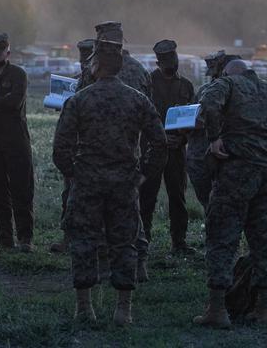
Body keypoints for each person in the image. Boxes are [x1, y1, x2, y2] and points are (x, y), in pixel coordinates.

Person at [194, 59, 267, 328]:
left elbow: (209, 104)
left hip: (235, 172)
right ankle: (263, 309)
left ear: (228, 73)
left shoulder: (226, 83)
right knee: (262, 241)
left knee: (222, 238)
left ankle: (218, 309)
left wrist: (214, 139)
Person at [53, 47, 168, 326]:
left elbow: (60, 148)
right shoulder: (137, 100)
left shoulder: (79, 100)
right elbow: (160, 143)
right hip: (124, 184)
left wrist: (74, 174)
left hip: (87, 183)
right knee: (124, 243)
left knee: (83, 243)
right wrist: (143, 175)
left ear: (96, 68)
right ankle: (123, 310)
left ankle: (84, 308)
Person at [0, 33, 35, 252]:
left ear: (7, 52)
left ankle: (25, 238)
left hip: (16, 139)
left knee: (22, 188)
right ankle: (4, 236)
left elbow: (15, 102)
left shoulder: (18, 74)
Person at [141, 39, 196, 255]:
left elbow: (191, 118)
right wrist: (160, 137)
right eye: (166, 59)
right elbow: (142, 117)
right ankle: (142, 239)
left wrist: (182, 140)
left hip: (176, 151)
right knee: (146, 196)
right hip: (151, 150)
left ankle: (179, 243)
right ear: (158, 62)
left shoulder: (186, 86)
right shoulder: (147, 83)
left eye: (173, 57)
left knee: (177, 197)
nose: (171, 62)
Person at [50, 38, 95, 255]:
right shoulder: (76, 82)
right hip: (75, 145)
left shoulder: (96, 84)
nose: (83, 63)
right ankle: (69, 237)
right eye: (81, 59)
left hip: (92, 145)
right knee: (69, 193)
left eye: (86, 58)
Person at [185, 51, 242, 210]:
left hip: (222, 153)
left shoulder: (237, 91)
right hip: (201, 154)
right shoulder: (205, 90)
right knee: (208, 200)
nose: (213, 79)